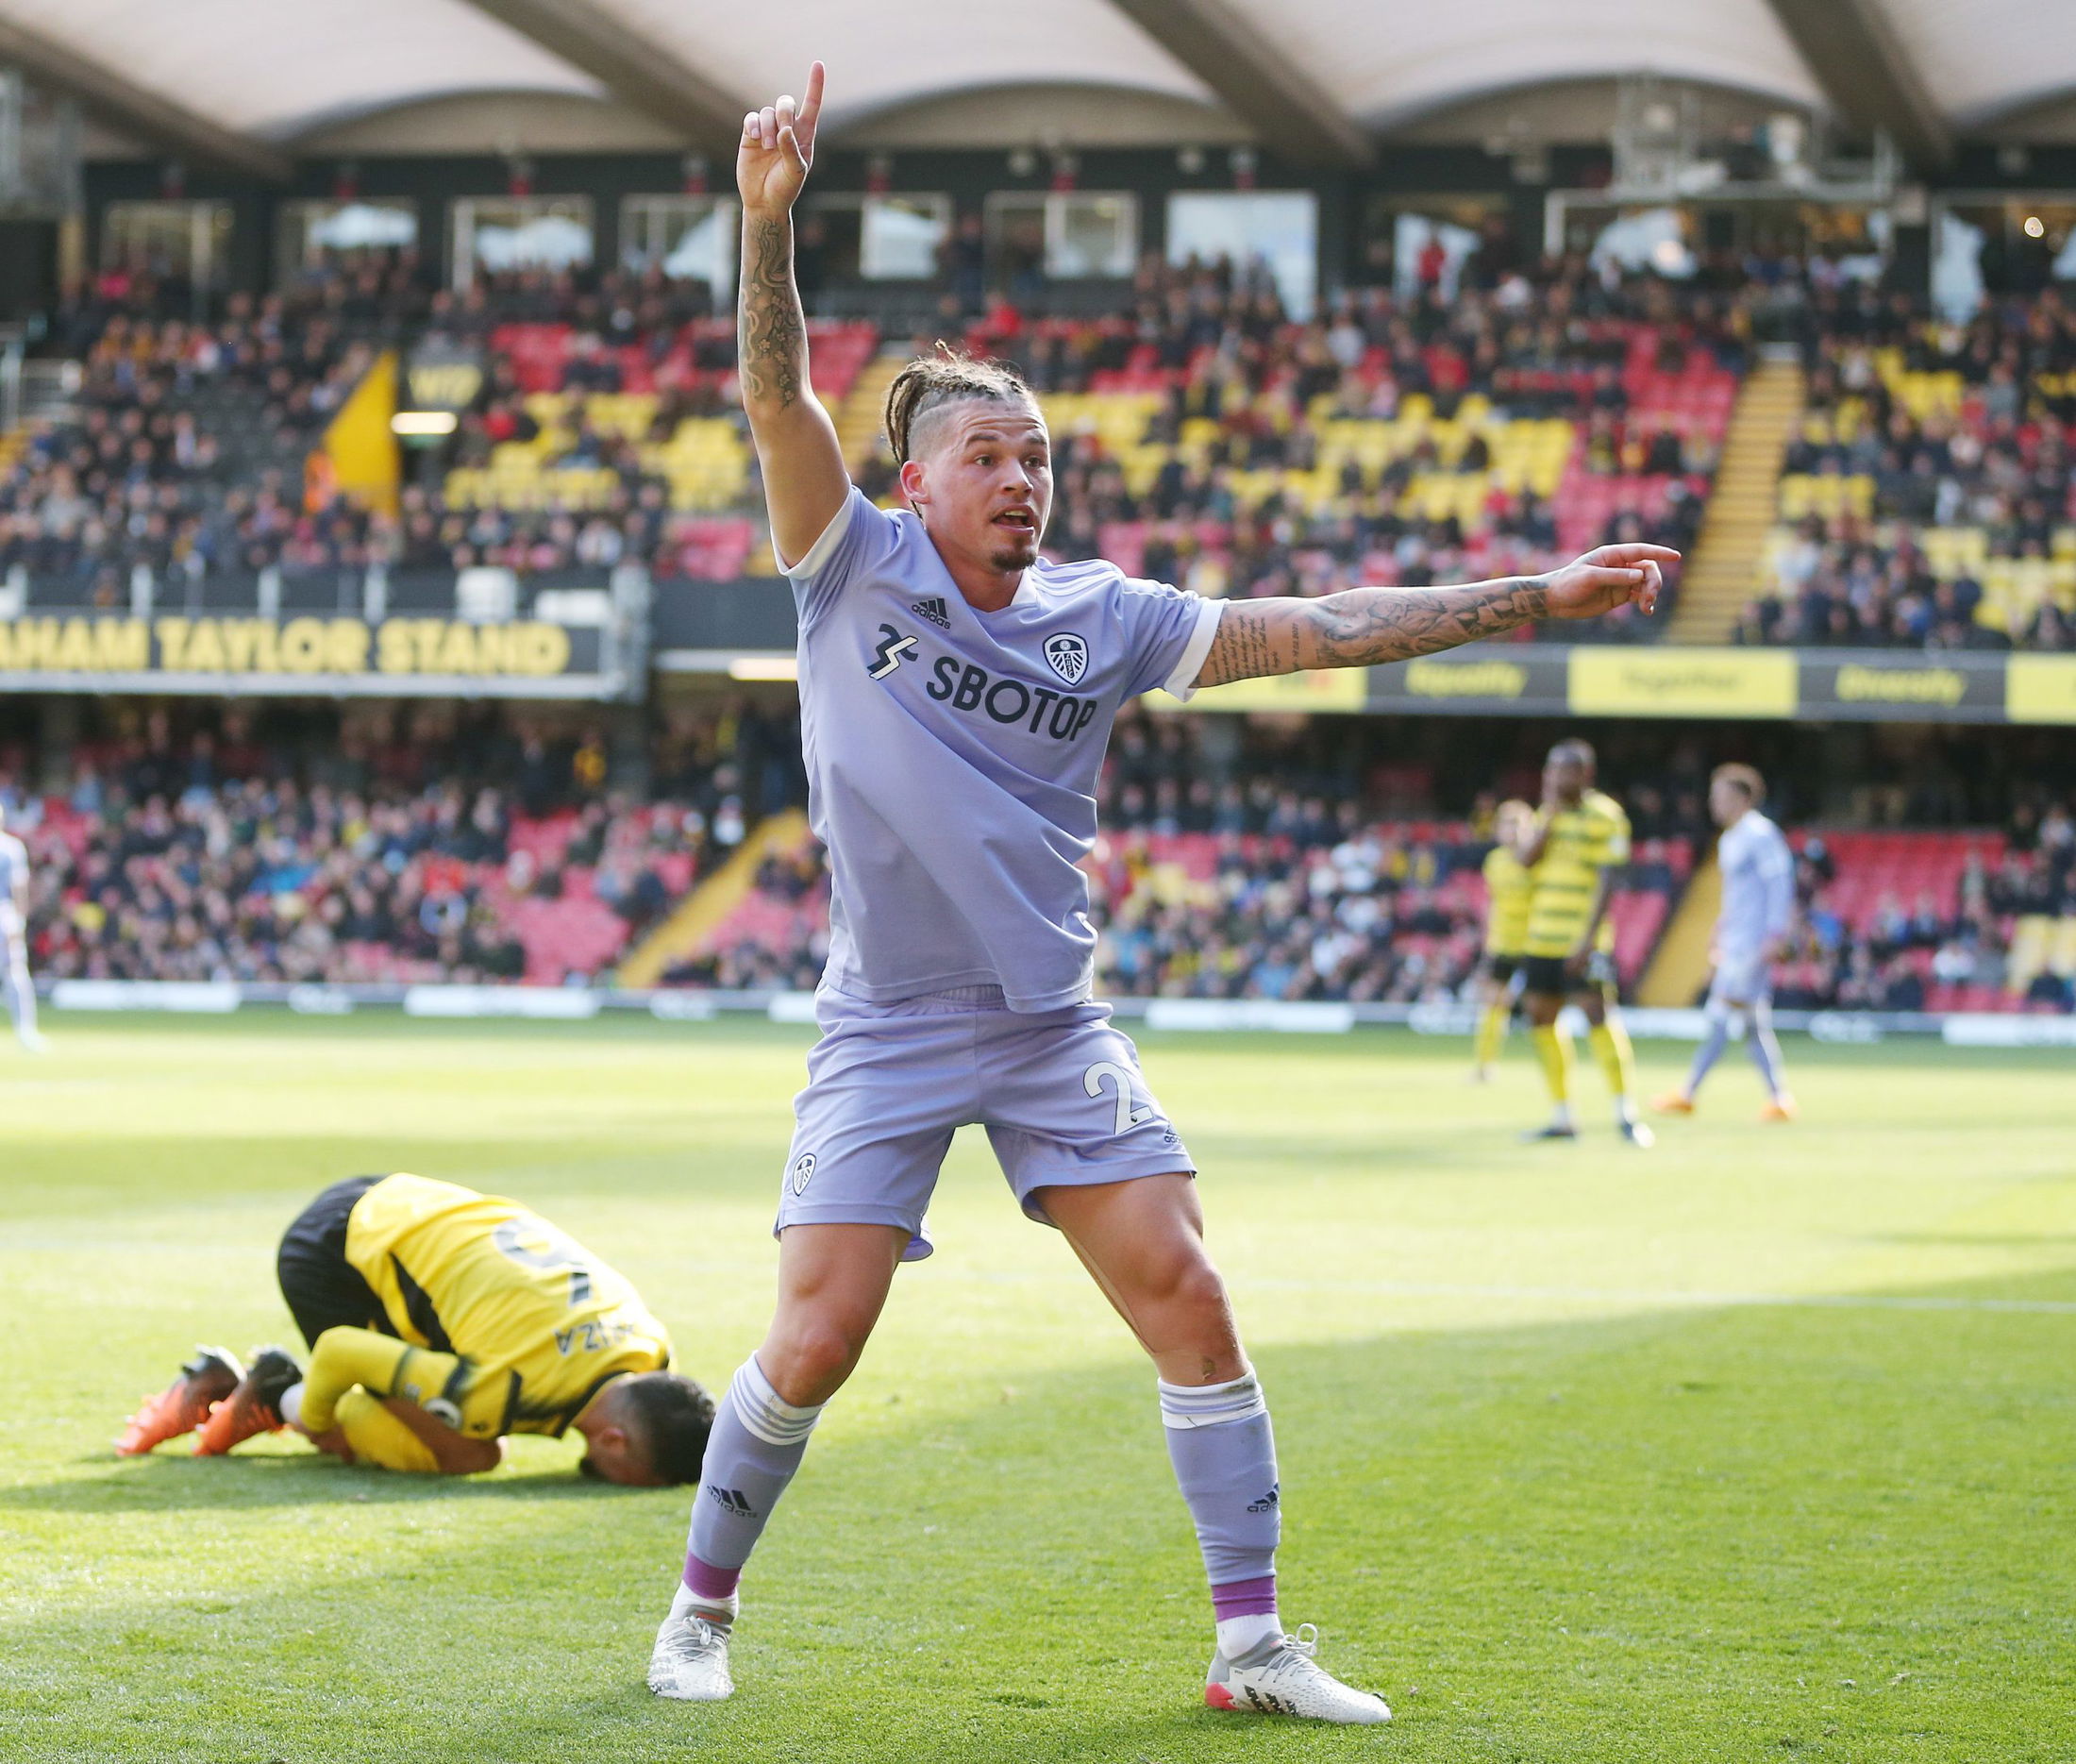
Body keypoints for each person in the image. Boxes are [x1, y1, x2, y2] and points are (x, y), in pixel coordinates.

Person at [648, 59, 1675, 1723]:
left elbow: (1323, 625)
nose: (1021, 477)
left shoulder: (1107, 614)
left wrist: (1533, 594)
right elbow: (778, 402)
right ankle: (698, 1609)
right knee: (818, 1337)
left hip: (1052, 1023)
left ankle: (1255, 1645)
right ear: (919, 479)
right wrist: (766, 229)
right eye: (988, 453)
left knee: (1192, 1297)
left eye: (1038, 455)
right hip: (894, 1022)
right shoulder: (847, 563)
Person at [116, 1173, 713, 1485]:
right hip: (337, 1252)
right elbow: (342, 1350)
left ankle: (270, 1391)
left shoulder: (650, 1343)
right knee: (468, 1452)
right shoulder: (499, 1389)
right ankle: (275, 1390)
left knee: (450, 1400)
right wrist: (317, 1428)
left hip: (406, 1198)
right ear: (615, 1442)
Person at [1515, 741, 1651, 1146]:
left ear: (1586, 774)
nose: (1557, 778)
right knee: (1540, 1017)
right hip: (1542, 936)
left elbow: (1609, 881)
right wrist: (1548, 820)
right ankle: (1562, 1116)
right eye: (1552, 770)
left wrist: (1588, 942)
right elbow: (1525, 861)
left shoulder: (1606, 816)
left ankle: (1626, 1113)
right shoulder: (1548, 814)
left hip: (1582, 940)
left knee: (1598, 1016)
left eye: (1566, 771)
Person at [1654, 764, 1797, 1120]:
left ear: (1743, 798)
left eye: (1720, 795)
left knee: (1720, 1015)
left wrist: (1775, 936)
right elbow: (1740, 895)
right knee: (1752, 1024)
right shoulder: (1732, 838)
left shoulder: (1761, 834)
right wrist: (1721, 927)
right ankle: (1779, 1099)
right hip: (1736, 940)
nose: (1713, 803)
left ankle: (1688, 1092)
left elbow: (1780, 885)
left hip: (1752, 945)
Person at [1470, 798, 1534, 1082]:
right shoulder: (1494, 861)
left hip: (1535, 942)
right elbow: (1492, 902)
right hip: (1504, 943)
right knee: (1493, 1004)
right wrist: (1489, 937)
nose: (1511, 831)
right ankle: (1485, 1067)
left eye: (1517, 825)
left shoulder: (1536, 860)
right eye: (1506, 825)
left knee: (1544, 1007)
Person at [0, 802, 45, 1053]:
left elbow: (19, 888)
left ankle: (26, 1030)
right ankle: (25, 1031)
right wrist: (19, 919)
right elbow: (19, 888)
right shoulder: (11, 847)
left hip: (3, 915)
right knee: (14, 971)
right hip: (4, 914)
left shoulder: (11, 847)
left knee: (15, 971)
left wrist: (19, 918)